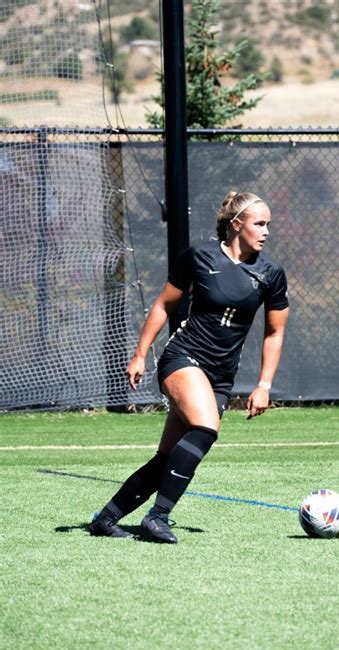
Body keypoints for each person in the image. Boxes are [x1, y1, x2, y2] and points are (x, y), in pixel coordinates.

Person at [90, 191, 289, 544]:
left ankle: (106, 518)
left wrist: (264, 384)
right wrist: (139, 354)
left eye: (268, 224)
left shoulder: (271, 273)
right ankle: (158, 518)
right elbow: (164, 306)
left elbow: (274, 332)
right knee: (206, 427)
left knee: (168, 457)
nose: (267, 231)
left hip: (220, 376)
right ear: (236, 225)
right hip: (183, 358)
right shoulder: (200, 256)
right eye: (260, 223)